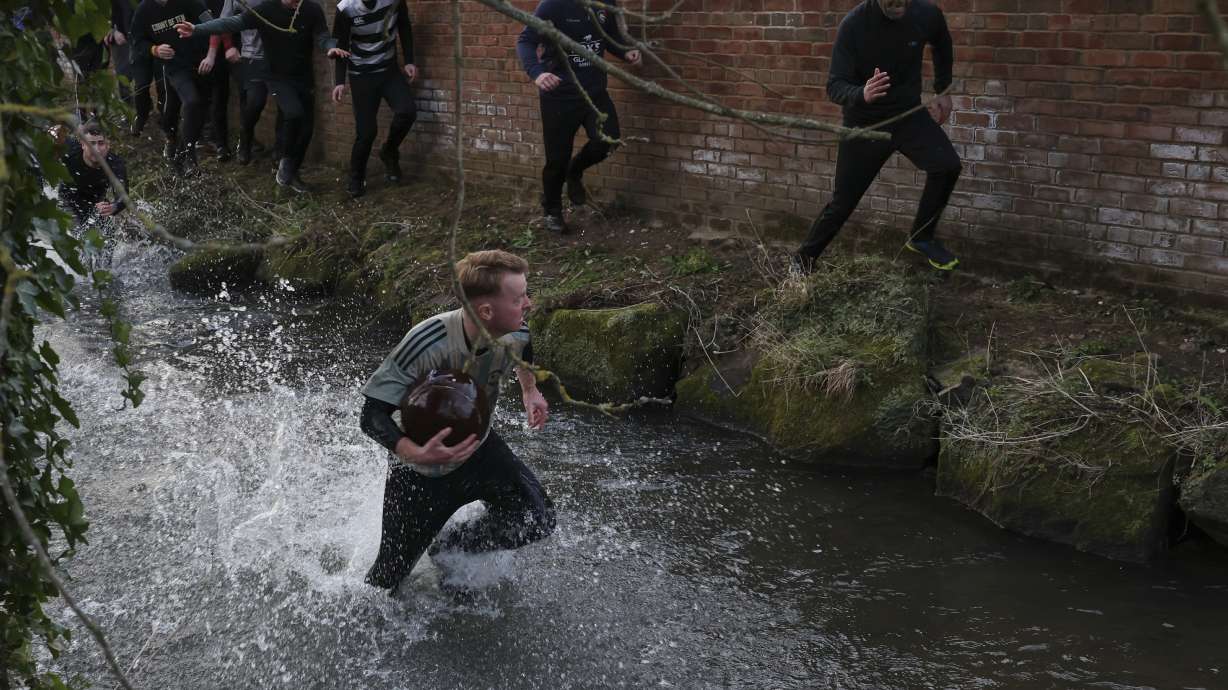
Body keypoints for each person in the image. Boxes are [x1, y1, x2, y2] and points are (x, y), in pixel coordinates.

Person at [358, 250, 554, 594]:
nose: (528, 304)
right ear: (486, 311)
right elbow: (371, 415)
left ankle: (450, 549)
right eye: (519, 298)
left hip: (480, 451)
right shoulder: (427, 342)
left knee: (537, 519)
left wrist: (530, 389)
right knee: (385, 583)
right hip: (420, 473)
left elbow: (524, 347)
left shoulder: (515, 328)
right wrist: (413, 452)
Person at [794, 0, 961, 273]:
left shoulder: (925, 14)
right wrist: (861, 94)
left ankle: (922, 237)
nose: (898, 4)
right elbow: (835, 86)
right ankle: (802, 262)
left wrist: (943, 88)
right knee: (842, 204)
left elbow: (941, 40)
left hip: (909, 116)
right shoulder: (854, 25)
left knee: (947, 166)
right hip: (866, 125)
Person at [175, 0, 349, 193]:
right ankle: (284, 161)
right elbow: (230, 23)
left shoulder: (312, 8)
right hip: (277, 76)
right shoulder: (266, 9)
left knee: (307, 129)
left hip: (303, 77)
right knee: (294, 113)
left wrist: (330, 47)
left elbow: (323, 35)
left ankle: (291, 173)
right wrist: (197, 29)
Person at [516, 0, 641, 234]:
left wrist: (626, 51)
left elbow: (608, 36)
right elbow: (526, 41)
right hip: (560, 95)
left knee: (609, 140)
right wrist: (537, 72)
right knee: (557, 160)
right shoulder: (552, 6)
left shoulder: (606, 4)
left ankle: (575, 171)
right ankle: (552, 210)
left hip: (595, 92)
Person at [331, 0, 418, 199]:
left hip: (389, 70)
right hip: (361, 75)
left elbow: (404, 25)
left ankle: (389, 151)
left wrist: (410, 60)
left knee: (407, 111)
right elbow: (340, 45)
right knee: (367, 132)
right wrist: (339, 81)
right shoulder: (346, 8)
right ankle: (356, 177)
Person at [130, 0, 214, 174]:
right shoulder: (144, 10)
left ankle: (180, 152)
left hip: (201, 60)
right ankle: (188, 156)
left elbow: (213, 25)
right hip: (174, 66)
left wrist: (211, 55)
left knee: (198, 108)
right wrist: (154, 49)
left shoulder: (189, 2)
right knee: (190, 102)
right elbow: (137, 41)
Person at [59, 121, 129, 225]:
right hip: (67, 202)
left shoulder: (115, 164)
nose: (96, 149)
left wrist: (113, 207)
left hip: (95, 207)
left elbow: (123, 195)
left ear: (107, 145)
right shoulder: (69, 149)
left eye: (101, 143)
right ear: (82, 144)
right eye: (91, 143)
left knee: (108, 239)